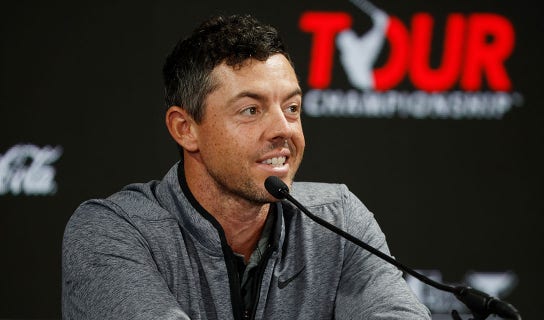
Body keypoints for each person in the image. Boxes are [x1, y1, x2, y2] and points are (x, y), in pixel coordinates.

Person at [61, 14, 431, 320]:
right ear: (185, 129)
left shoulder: (338, 220)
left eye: (292, 108)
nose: (284, 130)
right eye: (251, 110)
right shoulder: (110, 232)